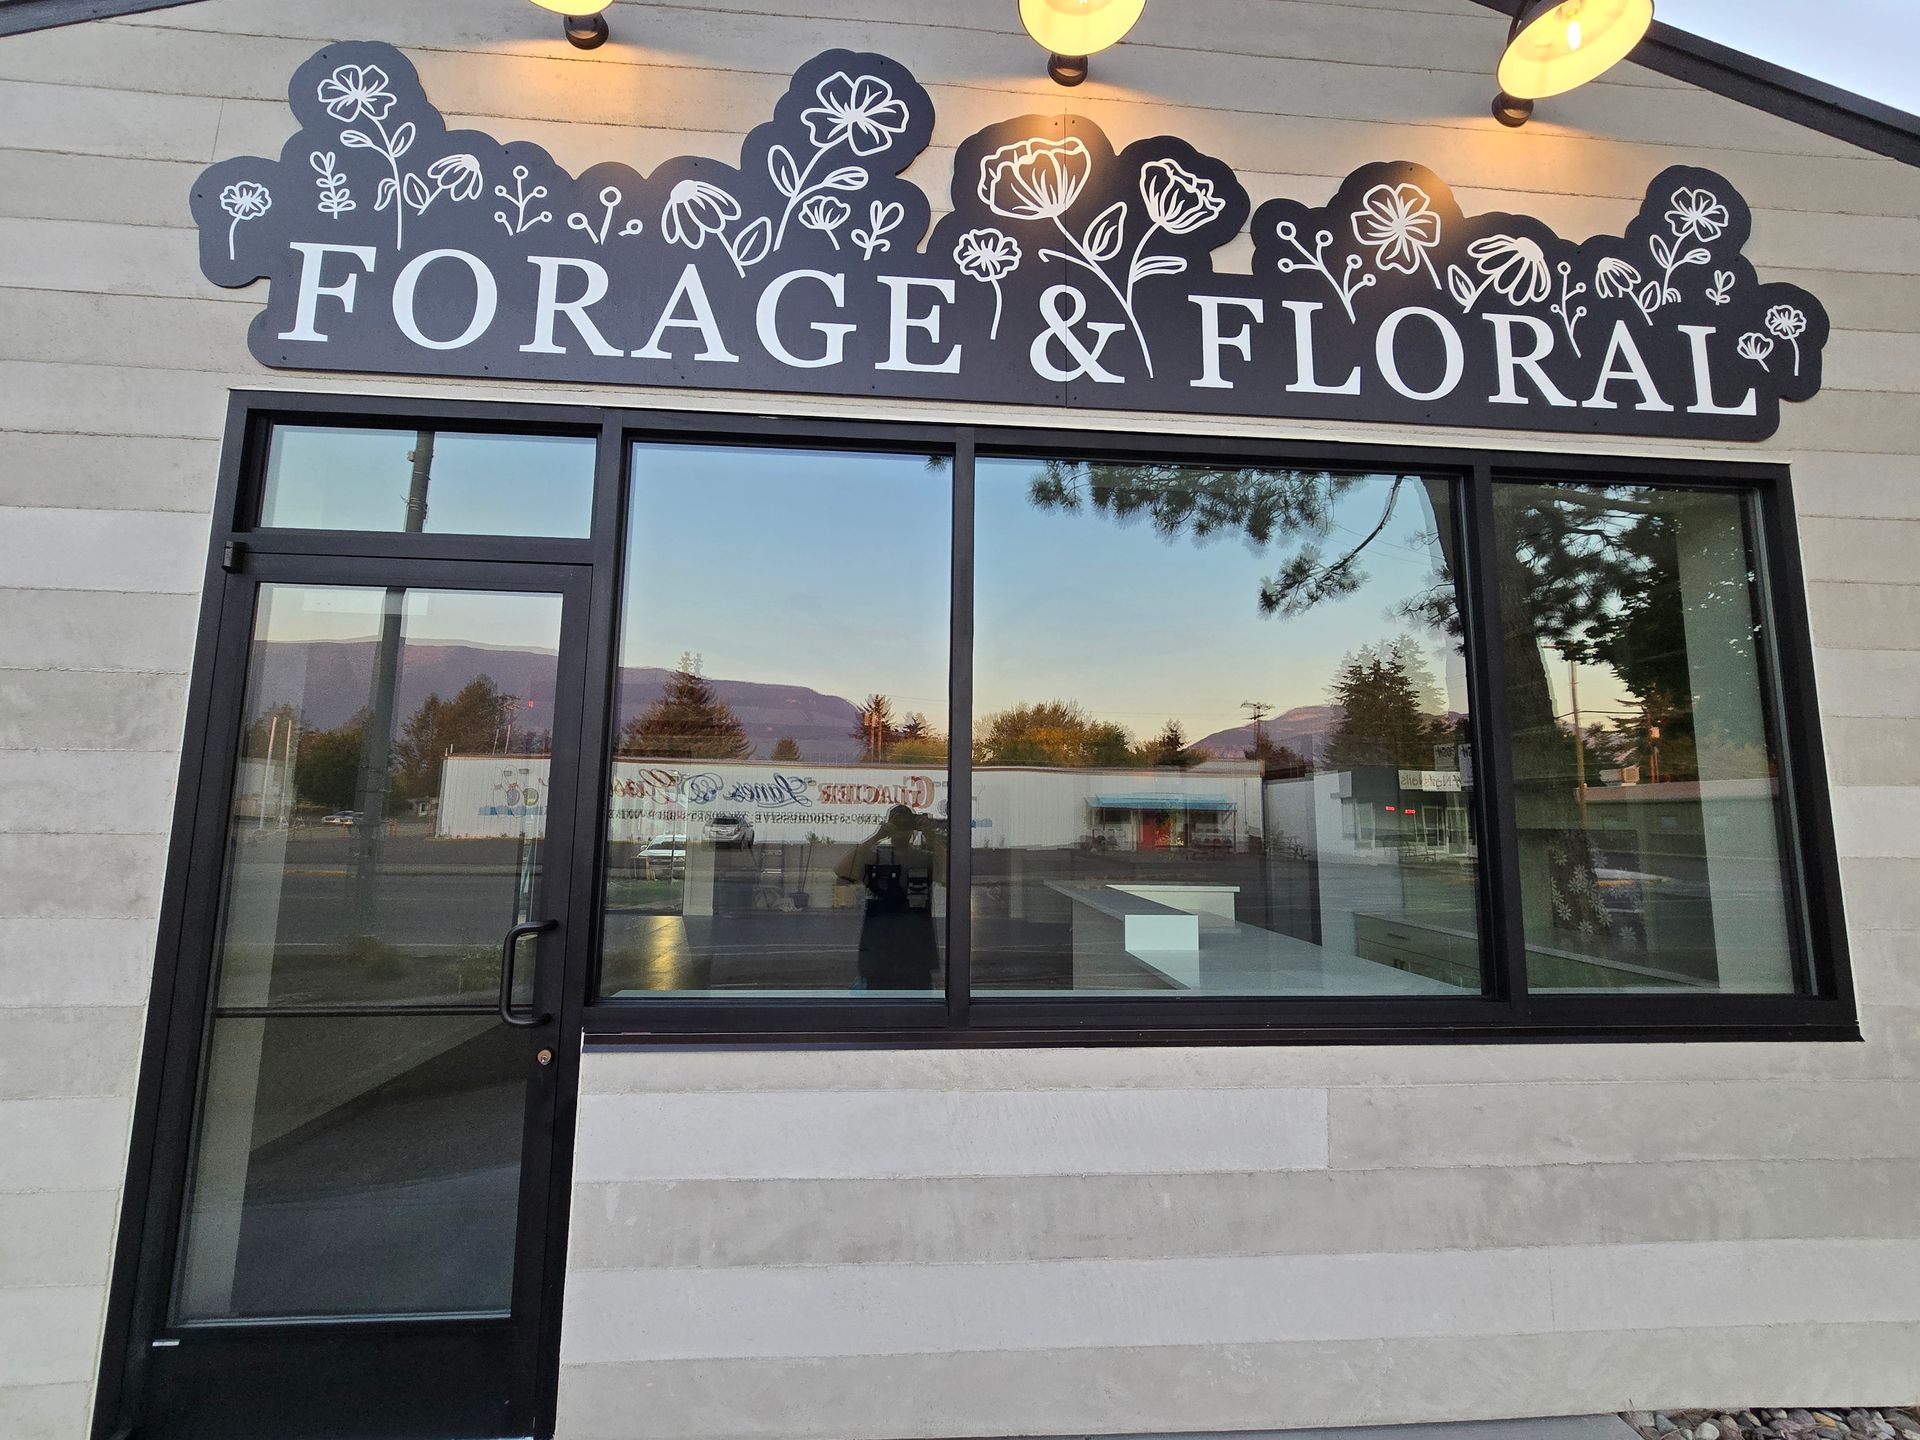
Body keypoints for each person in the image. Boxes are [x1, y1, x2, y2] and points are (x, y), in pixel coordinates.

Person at [834, 804, 946, 990]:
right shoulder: (875, 857)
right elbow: (842, 871)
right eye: (896, 824)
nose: (901, 830)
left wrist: (931, 836)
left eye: (905, 825)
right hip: (879, 949)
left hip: (914, 948)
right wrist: (876, 837)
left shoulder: (923, 859)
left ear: (913, 831)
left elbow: (951, 874)